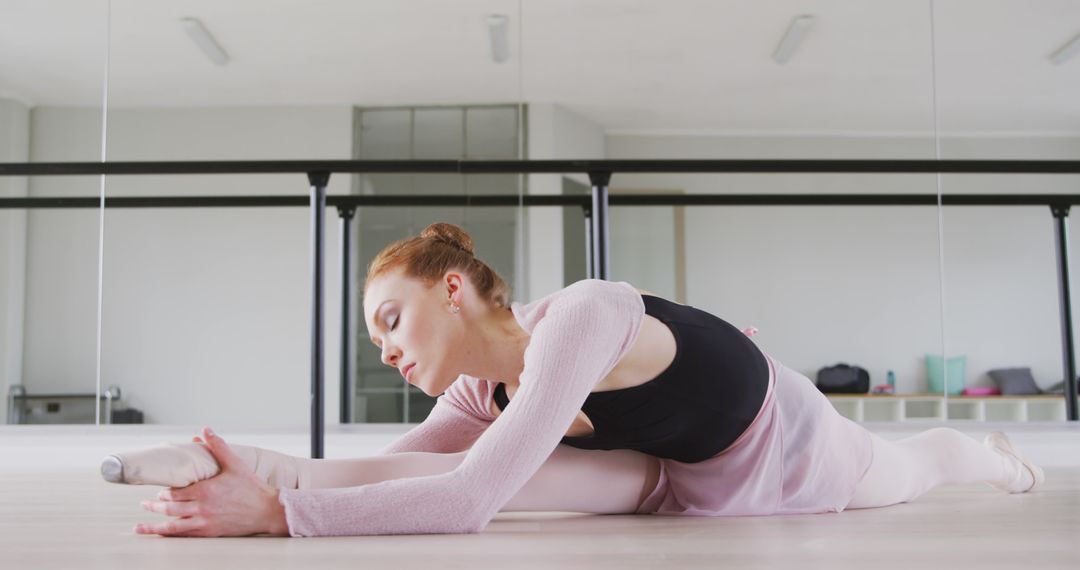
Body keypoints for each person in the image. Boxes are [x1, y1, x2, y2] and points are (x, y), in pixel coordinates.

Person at [126, 222, 1045, 538]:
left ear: (453, 289)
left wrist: (283, 517)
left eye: (392, 321)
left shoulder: (584, 315)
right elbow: (385, 473)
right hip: (682, 480)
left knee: (919, 468)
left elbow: (469, 500)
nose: (387, 352)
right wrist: (252, 474)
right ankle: (224, 462)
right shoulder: (474, 394)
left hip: (797, 451)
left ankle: (994, 457)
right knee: (486, 463)